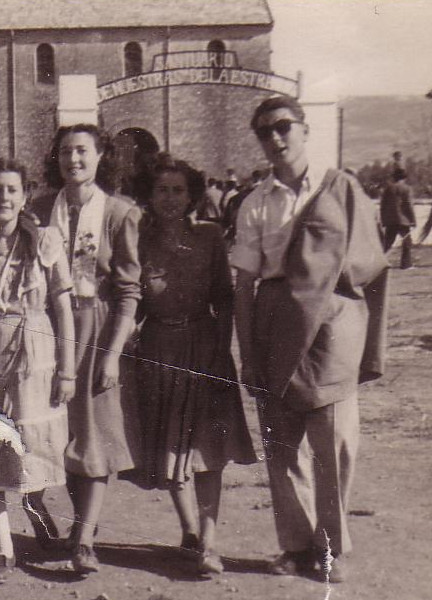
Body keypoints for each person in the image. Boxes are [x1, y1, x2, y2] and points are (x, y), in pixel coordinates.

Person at [232, 96, 389, 584]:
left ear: (304, 129)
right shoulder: (255, 203)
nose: (275, 139)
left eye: (283, 127)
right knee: (282, 445)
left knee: (334, 441)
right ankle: (295, 546)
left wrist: (335, 296)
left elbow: (370, 264)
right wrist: (249, 354)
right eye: (264, 132)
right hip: (276, 322)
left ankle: (330, 547)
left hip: (332, 325)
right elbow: (244, 285)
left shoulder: (341, 188)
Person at [0, 158, 75, 584]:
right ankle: (3, 550)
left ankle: (36, 509)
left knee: (32, 444)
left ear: (24, 196)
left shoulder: (45, 241)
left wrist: (68, 368)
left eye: (12, 189)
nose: (3, 197)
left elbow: (62, 304)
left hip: (35, 349)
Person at [132, 154, 256, 577]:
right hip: (157, 351)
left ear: (193, 196)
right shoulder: (138, 238)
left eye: (178, 190)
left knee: (207, 449)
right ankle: (188, 531)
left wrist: (220, 349)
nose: (170, 198)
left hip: (204, 348)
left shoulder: (210, 237)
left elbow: (223, 295)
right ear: (150, 195)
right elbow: (129, 298)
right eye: (162, 190)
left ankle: (209, 541)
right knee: (170, 446)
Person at [33, 123, 142, 574]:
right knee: (54, 431)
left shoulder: (119, 212)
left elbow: (129, 291)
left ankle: (83, 540)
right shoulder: (39, 208)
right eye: (64, 152)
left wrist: (114, 353)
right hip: (47, 325)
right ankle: (58, 520)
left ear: (101, 158)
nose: (72, 160)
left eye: (82, 152)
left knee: (93, 434)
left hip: (96, 329)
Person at [380, 168, 416, 269]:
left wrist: (383, 220)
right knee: (407, 242)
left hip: (390, 220)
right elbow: (409, 205)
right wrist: (413, 220)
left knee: (387, 242)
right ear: (404, 177)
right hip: (403, 220)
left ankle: (379, 263)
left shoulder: (388, 188)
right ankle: (406, 264)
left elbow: (383, 205)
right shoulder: (406, 188)